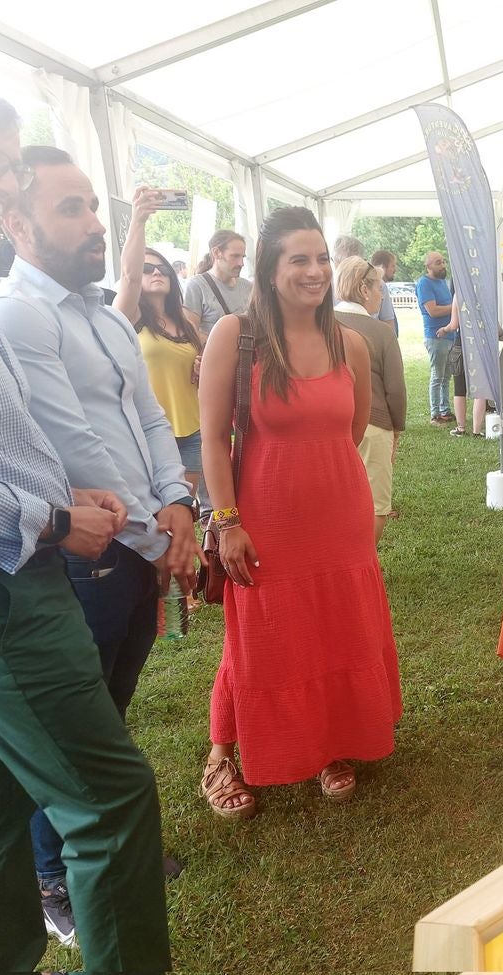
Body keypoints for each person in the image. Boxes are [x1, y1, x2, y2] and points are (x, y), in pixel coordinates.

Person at [0, 72, 169, 973]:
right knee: (111, 798)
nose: (6, 185)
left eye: (14, 165)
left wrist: (63, 501)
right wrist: (50, 517)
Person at [0, 149, 197, 947]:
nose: (93, 222)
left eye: (92, 206)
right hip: (87, 553)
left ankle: (100, 848)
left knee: (108, 712)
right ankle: (55, 876)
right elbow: (72, 445)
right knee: (72, 728)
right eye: (71, 207)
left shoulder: (105, 314)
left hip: (140, 544)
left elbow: (149, 419)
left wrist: (178, 505)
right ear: (17, 222)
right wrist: (162, 537)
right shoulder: (19, 313)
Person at [199, 207, 401, 818]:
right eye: (298, 260)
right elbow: (211, 438)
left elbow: (354, 426)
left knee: (337, 626)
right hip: (264, 518)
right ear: (269, 267)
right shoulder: (235, 335)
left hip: (339, 516)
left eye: (320, 259)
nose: (314, 272)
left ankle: (331, 742)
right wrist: (228, 520)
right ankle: (220, 754)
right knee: (257, 637)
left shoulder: (352, 343)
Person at [115, 186, 210, 514]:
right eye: (148, 268)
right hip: (149, 435)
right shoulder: (130, 316)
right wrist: (138, 220)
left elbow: (198, 371)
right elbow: (128, 276)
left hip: (192, 431)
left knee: (183, 515)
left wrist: (202, 368)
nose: (155, 272)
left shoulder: (185, 322)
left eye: (162, 269)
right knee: (153, 518)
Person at [334, 256, 406, 542]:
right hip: (374, 424)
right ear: (364, 289)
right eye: (379, 288)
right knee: (376, 504)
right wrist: (396, 428)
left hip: (328, 426)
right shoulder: (381, 332)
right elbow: (396, 390)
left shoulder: (318, 326)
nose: (381, 294)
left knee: (336, 501)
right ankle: (362, 566)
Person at [439, 294, 489, 438]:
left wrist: (445, 329)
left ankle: (461, 428)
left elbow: (454, 325)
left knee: (459, 389)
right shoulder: (482, 293)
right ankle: (477, 430)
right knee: (480, 390)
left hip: (461, 345)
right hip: (479, 346)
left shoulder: (459, 295)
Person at [184, 228, 250, 335]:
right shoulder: (196, 286)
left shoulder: (248, 286)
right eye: (235, 256)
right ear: (216, 253)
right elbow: (191, 334)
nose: (241, 263)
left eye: (242, 257)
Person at [417, 250, 454, 425]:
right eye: (438, 262)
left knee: (446, 376)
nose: (443, 265)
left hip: (449, 334)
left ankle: (445, 410)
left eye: (443, 261)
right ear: (428, 266)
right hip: (435, 335)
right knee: (437, 376)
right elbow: (433, 311)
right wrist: (454, 307)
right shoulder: (424, 283)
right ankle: (435, 413)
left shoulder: (442, 282)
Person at [370, 248, 399, 336]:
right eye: (393, 266)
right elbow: (388, 321)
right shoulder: (381, 285)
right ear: (382, 267)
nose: (395, 269)